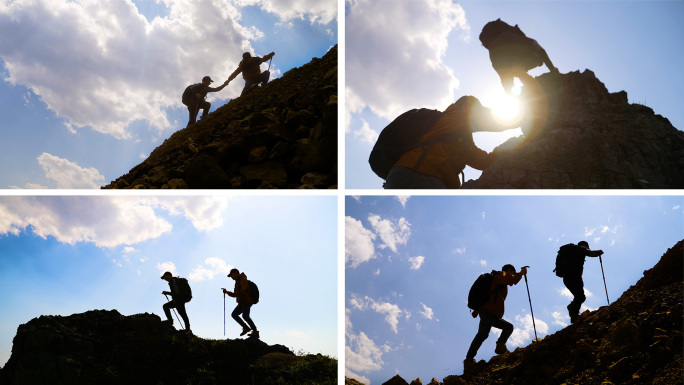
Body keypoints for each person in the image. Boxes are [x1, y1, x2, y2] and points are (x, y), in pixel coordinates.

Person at [384, 95, 519, 189]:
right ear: (465, 106)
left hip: (408, 174)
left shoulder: (461, 139)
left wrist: (505, 149)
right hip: (419, 174)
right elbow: (490, 120)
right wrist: (523, 119)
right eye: (477, 108)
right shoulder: (454, 116)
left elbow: (483, 161)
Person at [464, 264, 527, 372]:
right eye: (512, 272)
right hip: (489, 311)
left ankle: (500, 347)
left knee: (508, 327)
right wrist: (521, 274)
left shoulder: (497, 278)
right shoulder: (501, 275)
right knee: (483, 334)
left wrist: (478, 309)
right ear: (508, 270)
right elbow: (511, 280)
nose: (512, 274)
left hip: (492, 313)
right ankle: (469, 361)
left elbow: (489, 294)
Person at [479, 19, 558, 95]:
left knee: (507, 79)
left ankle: (516, 100)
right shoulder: (520, 40)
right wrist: (552, 69)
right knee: (518, 70)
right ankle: (530, 91)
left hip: (493, 53)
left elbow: (507, 80)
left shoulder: (505, 41)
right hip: (506, 45)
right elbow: (541, 50)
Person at [559, 241, 604, 324]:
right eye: (587, 247)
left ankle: (574, 315)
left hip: (566, 278)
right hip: (574, 277)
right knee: (580, 297)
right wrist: (599, 252)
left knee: (579, 296)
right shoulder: (580, 249)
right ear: (585, 245)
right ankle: (572, 310)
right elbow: (590, 253)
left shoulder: (572, 251)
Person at [222, 268, 259, 338]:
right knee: (234, 314)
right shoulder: (237, 282)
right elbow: (235, 294)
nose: (231, 277)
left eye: (231, 275)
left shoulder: (242, 279)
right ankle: (246, 327)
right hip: (242, 302)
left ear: (235, 273)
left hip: (247, 301)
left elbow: (243, 291)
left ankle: (255, 332)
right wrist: (227, 292)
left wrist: (239, 296)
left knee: (245, 316)